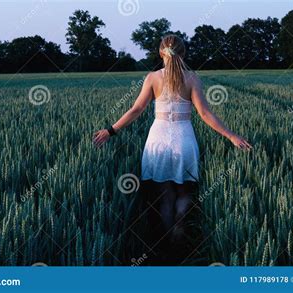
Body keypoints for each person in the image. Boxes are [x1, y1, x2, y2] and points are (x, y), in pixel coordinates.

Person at [93, 34, 251, 264]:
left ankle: (166, 247)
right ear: (184, 53)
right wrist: (231, 136)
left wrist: (110, 130)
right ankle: (180, 239)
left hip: (158, 140)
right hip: (184, 140)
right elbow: (205, 114)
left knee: (165, 197)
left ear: (160, 54)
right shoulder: (192, 79)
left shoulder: (153, 78)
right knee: (184, 193)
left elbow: (136, 109)